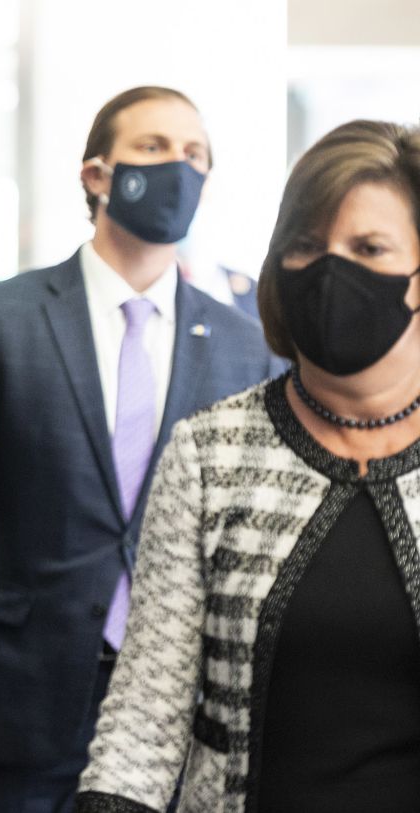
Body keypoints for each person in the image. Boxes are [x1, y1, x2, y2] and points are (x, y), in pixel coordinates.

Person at [0, 86, 277, 813]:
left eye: (195, 154)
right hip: (18, 706)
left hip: (181, 712)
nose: (178, 166)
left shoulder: (245, 344)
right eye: (153, 147)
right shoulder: (1, 320)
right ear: (96, 174)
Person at [77, 120, 420, 813]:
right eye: (305, 246)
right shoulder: (211, 452)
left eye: (368, 247)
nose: (331, 269)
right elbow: (147, 710)